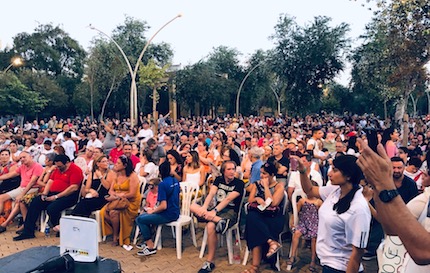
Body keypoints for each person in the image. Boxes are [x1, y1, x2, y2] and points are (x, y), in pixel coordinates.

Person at [356, 138, 430, 265]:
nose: (424, 173)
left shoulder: (411, 186)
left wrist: (384, 185)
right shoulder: (424, 200)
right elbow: (392, 229)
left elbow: (424, 252)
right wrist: (377, 186)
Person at [297, 154, 371, 273]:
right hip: (327, 263)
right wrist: (302, 171)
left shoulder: (358, 208)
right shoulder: (335, 191)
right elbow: (309, 190)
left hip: (341, 267)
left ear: (348, 175)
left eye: (335, 170)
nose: (329, 173)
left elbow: (357, 253)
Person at [13, 154, 84, 241]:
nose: (58, 168)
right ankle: (28, 231)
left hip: (68, 196)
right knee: (35, 202)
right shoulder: (57, 169)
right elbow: (50, 181)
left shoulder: (75, 170)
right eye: (57, 166)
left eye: (60, 166)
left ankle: (59, 227)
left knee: (52, 208)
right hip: (53, 193)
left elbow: (74, 187)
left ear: (68, 163)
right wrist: (44, 193)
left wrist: (56, 196)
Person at [190, 161, 244, 273]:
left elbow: (228, 199)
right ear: (223, 171)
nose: (232, 171)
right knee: (193, 207)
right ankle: (220, 222)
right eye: (229, 169)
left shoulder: (239, 183)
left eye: (233, 169)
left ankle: (209, 261)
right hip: (218, 213)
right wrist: (204, 208)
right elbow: (211, 194)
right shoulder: (219, 180)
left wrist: (214, 211)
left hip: (231, 212)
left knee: (210, 225)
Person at [242, 161, 286, 273]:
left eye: (265, 174)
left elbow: (273, 203)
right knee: (252, 218)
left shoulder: (279, 186)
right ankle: (271, 241)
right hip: (259, 216)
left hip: (273, 218)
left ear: (271, 175)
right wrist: (257, 199)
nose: (262, 176)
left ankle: (254, 267)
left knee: (253, 223)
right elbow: (250, 200)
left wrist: (266, 187)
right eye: (261, 173)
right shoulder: (256, 184)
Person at [134, 162, 180, 256]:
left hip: (167, 214)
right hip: (175, 211)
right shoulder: (175, 181)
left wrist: (153, 211)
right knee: (146, 217)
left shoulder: (162, 185)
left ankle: (150, 246)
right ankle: (148, 241)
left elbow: (163, 206)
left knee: (140, 219)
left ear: (160, 172)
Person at [100, 155, 140, 246]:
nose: (115, 164)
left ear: (124, 165)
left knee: (113, 212)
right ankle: (117, 231)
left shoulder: (133, 176)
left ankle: (115, 236)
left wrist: (117, 196)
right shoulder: (116, 175)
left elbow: (132, 194)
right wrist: (115, 196)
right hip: (116, 200)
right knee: (103, 213)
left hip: (130, 202)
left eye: (118, 163)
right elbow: (110, 190)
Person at [288, 181, 322, 272]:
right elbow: (295, 213)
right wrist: (292, 221)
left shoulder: (318, 202)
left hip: (315, 224)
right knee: (297, 233)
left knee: (314, 237)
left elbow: (321, 215)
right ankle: (293, 255)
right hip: (304, 223)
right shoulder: (302, 201)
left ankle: (313, 260)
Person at [0, 151, 43, 216]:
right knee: (1, 198)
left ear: (30, 157)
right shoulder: (22, 166)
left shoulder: (37, 166)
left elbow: (32, 182)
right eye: (20, 158)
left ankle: (23, 223)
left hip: (33, 189)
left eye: (24, 157)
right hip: (21, 188)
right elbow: (10, 175)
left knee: (19, 201)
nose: (22, 159)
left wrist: (22, 194)